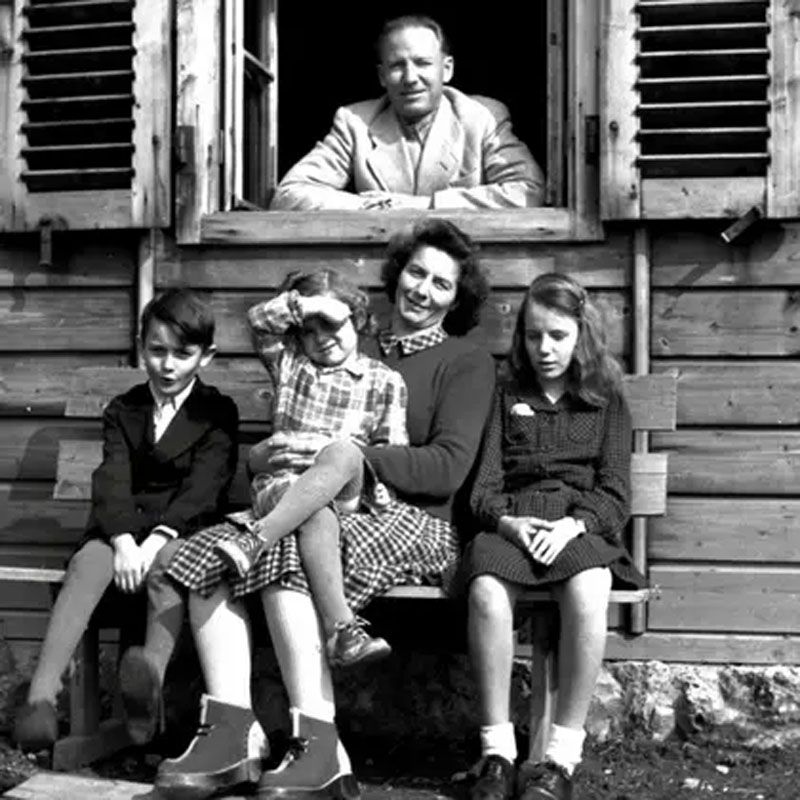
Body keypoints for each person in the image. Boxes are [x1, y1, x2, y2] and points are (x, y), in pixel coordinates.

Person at [152, 219, 496, 800]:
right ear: (395, 277)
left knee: (287, 544)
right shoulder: (343, 338)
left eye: (441, 283)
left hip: (409, 521)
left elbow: (447, 468)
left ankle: (320, 745)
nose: (423, 289)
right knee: (206, 554)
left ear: (457, 297)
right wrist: (261, 458)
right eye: (416, 272)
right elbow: (277, 386)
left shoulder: (464, 361)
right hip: (311, 507)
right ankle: (231, 730)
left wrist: (342, 459)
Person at [13, 289, 238, 751]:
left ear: (206, 357)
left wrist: (156, 538)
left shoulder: (216, 412)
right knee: (87, 562)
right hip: (124, 532)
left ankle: (147, 679)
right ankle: (40, 698)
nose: (168, 365)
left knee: (169, 564)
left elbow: (204, 487)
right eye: (157, 351)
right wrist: (120, 541)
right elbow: (111, 478)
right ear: (142, 349)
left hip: (181, 530)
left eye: (183, 353)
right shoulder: (124, 409)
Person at [461, 273, 646, 800]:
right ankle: (497, 753)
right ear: (520, 336)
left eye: (558, 336)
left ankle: (560, 760)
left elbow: (615, 490)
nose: (545, 348)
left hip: (578, 524)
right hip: (515, 523)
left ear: (581, 334)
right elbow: (484, 487)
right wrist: (507, 523)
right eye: (534, 335)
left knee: (590, 589)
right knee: (486, 591)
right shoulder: (506, 391)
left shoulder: (605, 395)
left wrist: (573, 525)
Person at [214, 269, 409, 669]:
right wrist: (311, 305)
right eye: (310, 330)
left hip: (348, 487)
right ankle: (344, 632)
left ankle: (255, 540)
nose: (323, 338)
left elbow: (392, 454)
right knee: (315, 512)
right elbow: (258, 321)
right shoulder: (291, 364)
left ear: (356, 318)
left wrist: (325, 450)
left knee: (342, 451)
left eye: (334, 324)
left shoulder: (384, 380)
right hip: (286, 487)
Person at [270, 15, 545, 212]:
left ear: (446, 69)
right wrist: (372, 206)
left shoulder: (482, 117)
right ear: (382, 76)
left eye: (423, 63)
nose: (410, 78)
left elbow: (529, 192)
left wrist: (430, 205)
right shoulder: (355, 122)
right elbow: (289, 195)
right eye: (397, 66)